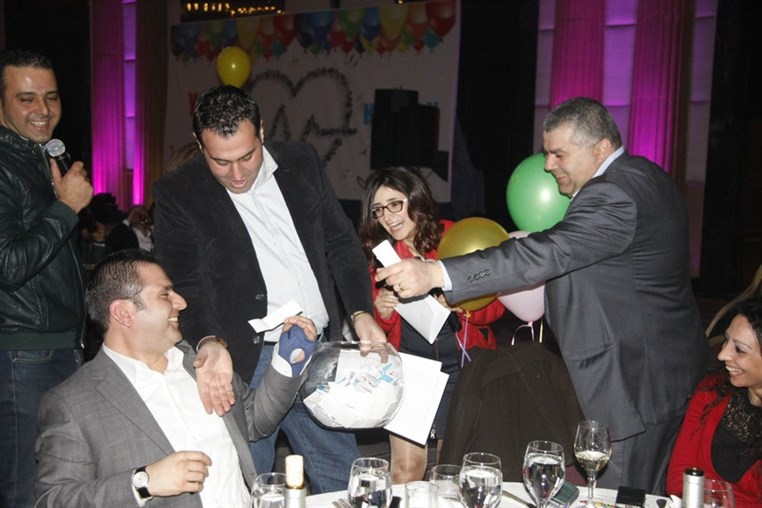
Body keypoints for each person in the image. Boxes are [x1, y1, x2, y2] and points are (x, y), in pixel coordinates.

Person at [376, 97, 709, 493]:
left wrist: (437, 272)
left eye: (558, 154)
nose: (548, 165)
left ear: (601, 148)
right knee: (644, 493)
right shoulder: (648, 174)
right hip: (663, 372)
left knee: (615, 494)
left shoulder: (613, 194)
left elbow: (546, 252)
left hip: (633, 381)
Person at [152, 85, 387, 493]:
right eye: (220, 161)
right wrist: (209, 341)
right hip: (248, 362)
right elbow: (186, 283)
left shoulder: (301, 160)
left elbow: (341, 243)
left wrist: (361, 311)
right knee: (250, 486)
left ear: (261, 131)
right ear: (199, 144)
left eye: (247, 156)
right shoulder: (179, 192)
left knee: (345, 480)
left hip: (316, 349)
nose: (237, 174)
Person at [35, 249, 317, 507]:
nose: (181, 302)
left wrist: (287, 360)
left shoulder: (200, 364)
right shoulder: (73, 402)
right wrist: (143, 483)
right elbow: (53, 499)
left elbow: (254, 422)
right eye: (165, 295)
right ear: (124, 313)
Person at [358, 167, 504, 482]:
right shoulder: (380, 256)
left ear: (415, 198)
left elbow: (496, 306)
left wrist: (461, 304)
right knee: (406, 470)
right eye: (379, 210)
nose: (388, 217)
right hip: (411, 369)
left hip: (462, 369)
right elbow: (380, 329)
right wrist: (382, 311)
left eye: (395, 204)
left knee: (450, 471)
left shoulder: (455, 237)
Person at [0, 48, 93, 508]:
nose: (43, 110)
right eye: (27, 98)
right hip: (25, 353)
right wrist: (66, 207)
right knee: (27, 488)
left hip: (57, 346)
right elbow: (8, 265)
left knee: (63, 484)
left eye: (51, 97)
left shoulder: (36, 157)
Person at [666, 297, 762, 507]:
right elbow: (679, 477)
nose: (722, 354)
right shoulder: (712, 391)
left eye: (740, 350)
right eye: (726, 340)